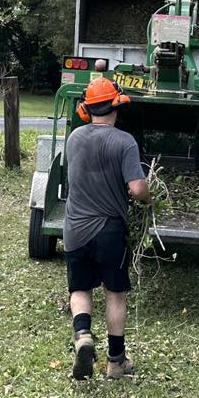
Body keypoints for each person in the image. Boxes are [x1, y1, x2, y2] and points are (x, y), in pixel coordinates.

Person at [62, 78, 151, 381]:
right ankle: (115, 361)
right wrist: (149, 197)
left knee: (79, 288)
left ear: (86, 109)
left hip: (74, 229)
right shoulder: (124, 141)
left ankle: (83, 335)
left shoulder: (74, 138)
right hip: (109, 231)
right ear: (115, 106)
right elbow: (137, 188)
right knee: (115, 294)